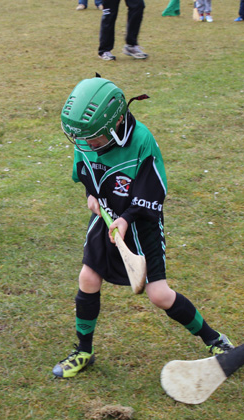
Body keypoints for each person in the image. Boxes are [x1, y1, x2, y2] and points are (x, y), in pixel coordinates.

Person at [52, 77, 234, 379]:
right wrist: (91, 197)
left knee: (159, 295)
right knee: (88, 277)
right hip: (106, 220)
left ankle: (215, 339)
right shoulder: (86, 137)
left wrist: (126, 219)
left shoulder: (141, 140)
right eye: (82, 139)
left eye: (94, 139)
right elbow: (86, 176)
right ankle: (84, 351)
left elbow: (154, 191)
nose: (87, 145)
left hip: (142, 223)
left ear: (116, 122)